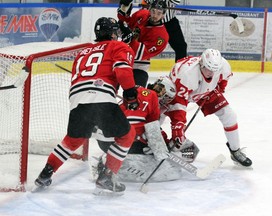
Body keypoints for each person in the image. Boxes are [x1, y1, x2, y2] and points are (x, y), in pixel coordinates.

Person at [34, 17, 139, 194]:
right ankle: (107, 176)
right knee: (127, 136)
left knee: (73, 140)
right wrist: (130, 94)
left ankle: (45, 173)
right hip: (101, 97)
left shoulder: (83, 52)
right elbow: (122, 70)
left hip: (77, 99)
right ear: (113, 33)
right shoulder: (119, 46)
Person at [92, 76, 199, 182]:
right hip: (114, 138)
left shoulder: (139, 93)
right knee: (157, 160)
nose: (162, 99)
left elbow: (145, 127)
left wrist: (161, 143)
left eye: (166, 97)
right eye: (163, 93)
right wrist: (159, 148)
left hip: (105, 136)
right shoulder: (150, 97)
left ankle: (109, 164)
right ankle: (107, 165)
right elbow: (144, 127)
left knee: (146, 148)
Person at [162, 49, 252, 167]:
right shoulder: (187, 74)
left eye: (214, 70)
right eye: (208, 69)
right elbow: (179, 103)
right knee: (158, 116)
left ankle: (235, 151)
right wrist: (178, 125)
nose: (211, 73)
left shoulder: (223, 66)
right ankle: (158, 145)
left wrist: (217, 90)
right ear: (201, 64)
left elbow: (222, 82)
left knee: (229, 115)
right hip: (175, 91)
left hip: (205, 92)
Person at [117, 0, 169, 87]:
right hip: (122, 58)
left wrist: (129, 38)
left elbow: (140, 54)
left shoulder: (162, 37)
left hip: (139, 66)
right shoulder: (142, 14)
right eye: (153, 11)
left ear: (163, 15)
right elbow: (125, 21)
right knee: (109, 87)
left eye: (159, 13)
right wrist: (124, 7)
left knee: (137, 96)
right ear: (149, 9)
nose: (155, 16)